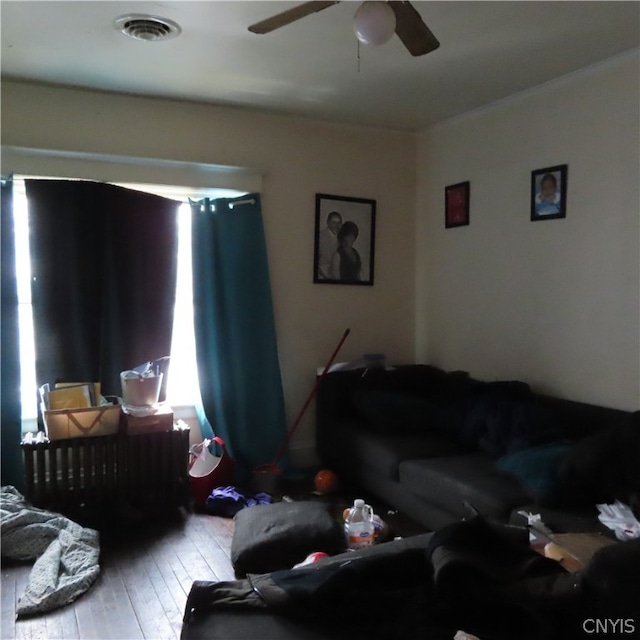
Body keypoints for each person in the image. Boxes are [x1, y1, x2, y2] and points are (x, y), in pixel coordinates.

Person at [317, 211, 342, 279]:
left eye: (339, 223)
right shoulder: (320, 236)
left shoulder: (342, 238)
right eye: (334, 222)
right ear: (328, 223)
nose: (336, 225)